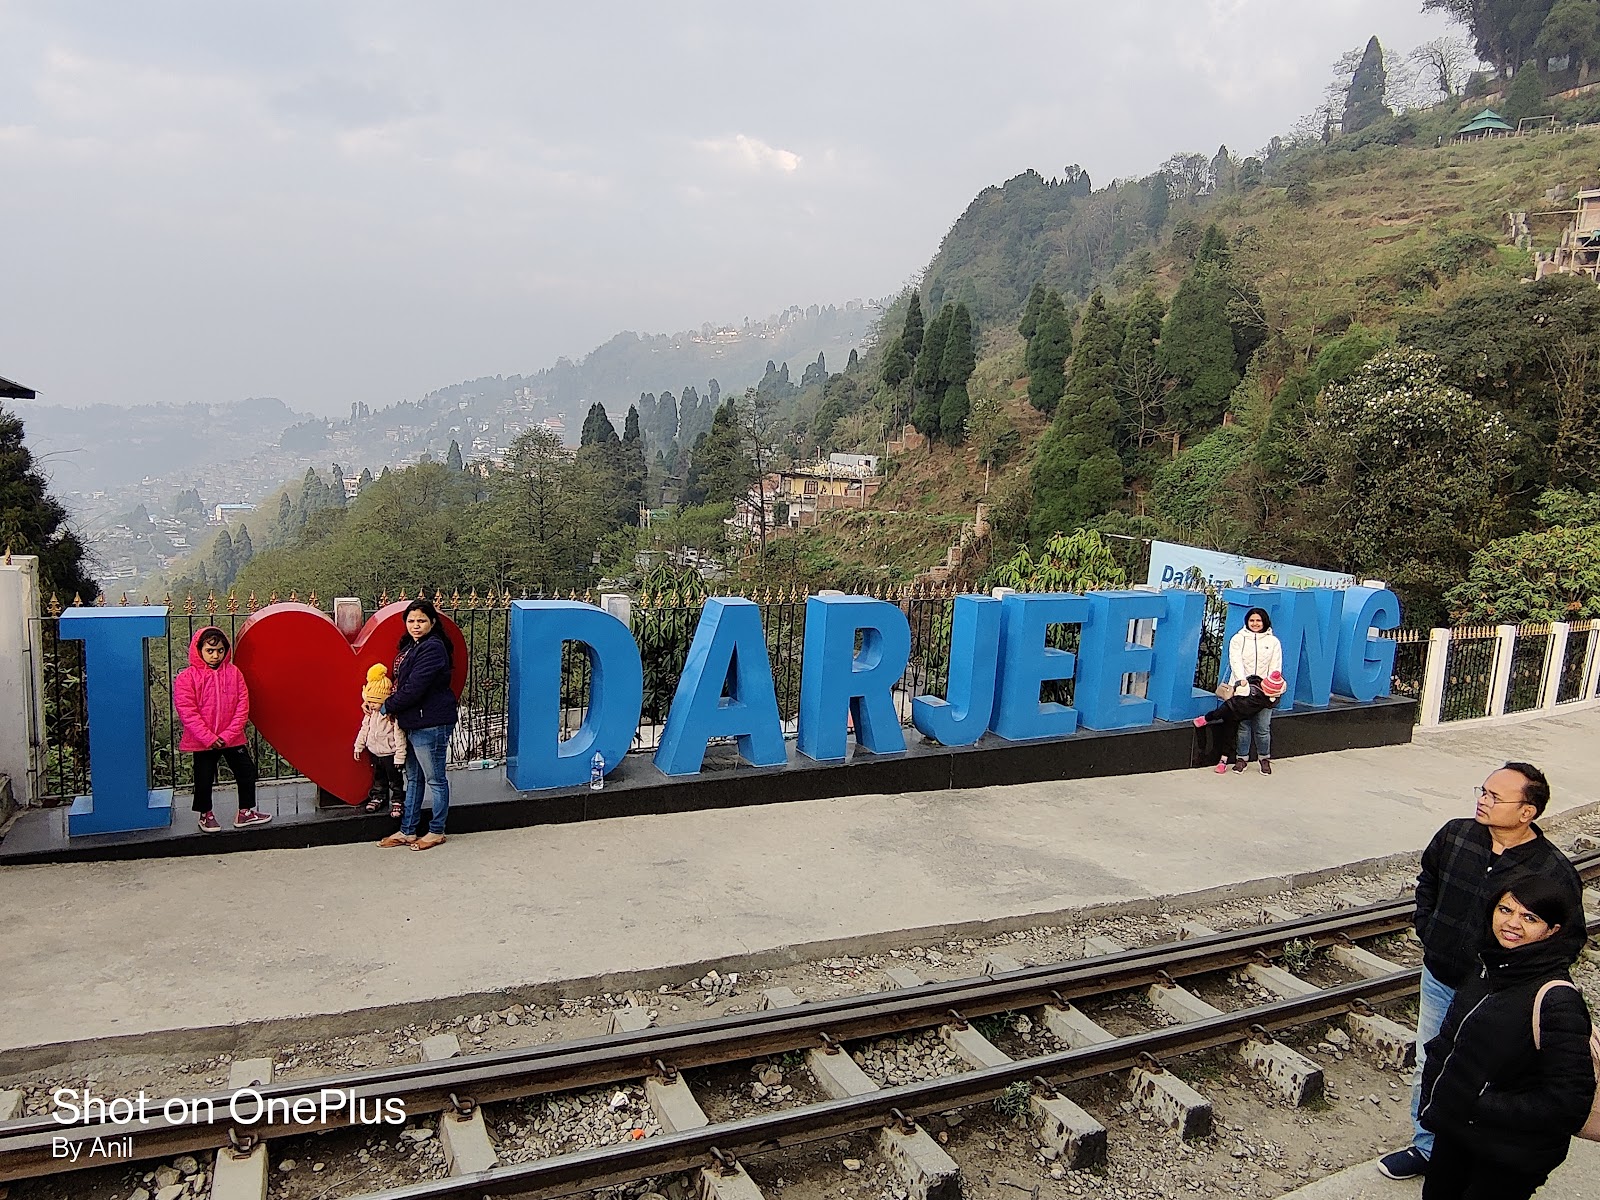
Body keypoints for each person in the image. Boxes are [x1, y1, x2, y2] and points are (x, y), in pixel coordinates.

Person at [1379, 762, 1585, 1181]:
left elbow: (1567, 939)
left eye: (1495, 796)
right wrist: (1429, 930)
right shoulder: (1455, 835)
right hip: (1440, 977)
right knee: (1430, 1061)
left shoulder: (1551, 871)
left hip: (1498, 996)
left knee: (1485, 1076)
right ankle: (1428, 1148)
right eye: (1483, 791)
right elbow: (1429, 881)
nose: (1483, 800)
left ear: (1527, 812)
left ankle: (1471, 1151)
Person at [1417, 873, 1595, 1199]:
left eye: (1530, 917)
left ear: (1552, 930)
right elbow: (1453, 1038)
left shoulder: (1557, 1000)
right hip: (1457, 1133)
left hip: (1506, 1155)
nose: (1512, 923)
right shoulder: (1488, 968)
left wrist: (1479, 1104)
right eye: (1505, 910)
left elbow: (1569, 1103)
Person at [172, 625, 272, 832]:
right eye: (210, 650)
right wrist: (208, 737)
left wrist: (227, 735)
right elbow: (187, 711)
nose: (215, 655)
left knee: (246, 771)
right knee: (204, 777)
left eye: (220, 650)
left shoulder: (234, 674)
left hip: (232, 738)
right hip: (202, 741)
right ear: (198, 650)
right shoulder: (187, 678)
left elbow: (242, 706)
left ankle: (245, 812)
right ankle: (205, 814)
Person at [377, 599, 458, 851]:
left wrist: (387, 706)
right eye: (411, 621)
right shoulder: (414, 646)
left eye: (421, 620)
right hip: (414, 721)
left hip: (430, 723)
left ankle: (437, 830)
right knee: (414, 779)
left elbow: (415, 687)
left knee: (435, 779)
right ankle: (408, 830)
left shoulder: (432, 648)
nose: (415, 625)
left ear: (432, 622)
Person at [1194, 670, 1285, 774]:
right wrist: (1239, 683)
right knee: (1218, 714)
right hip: (1231, 706)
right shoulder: (1254, 684)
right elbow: (1244, 678)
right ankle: (1205, 719)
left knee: (1230, 736)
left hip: (1239, 716)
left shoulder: (1268, 700)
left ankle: (1223, 762)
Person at [1227, 606, 1282, 774]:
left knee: (1263, 727)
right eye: (1252, 620)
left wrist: (1270, 685)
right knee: (1243, 727)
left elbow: (1276, 666)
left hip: (1265, 691)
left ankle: (1264, 759)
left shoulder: (1273, 642)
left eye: (1258, 620)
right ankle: (1241, 759)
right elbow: (1235, 661)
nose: (1255, 623)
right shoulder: (1238, 639)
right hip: (1243, 690)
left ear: (1264, 622)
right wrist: (1242, 682)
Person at [354, 663, 407, 819]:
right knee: (378, 778)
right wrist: (358, 746)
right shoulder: (370, 714)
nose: (372, 705)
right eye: (369, 702)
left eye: (375, 702)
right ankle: (378, 796)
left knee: (395, 779)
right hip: (375, 752)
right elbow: (364, 730)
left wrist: (400, 756)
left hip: (390, 753)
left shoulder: (391, 717)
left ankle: (397, 800)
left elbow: (399, 737)